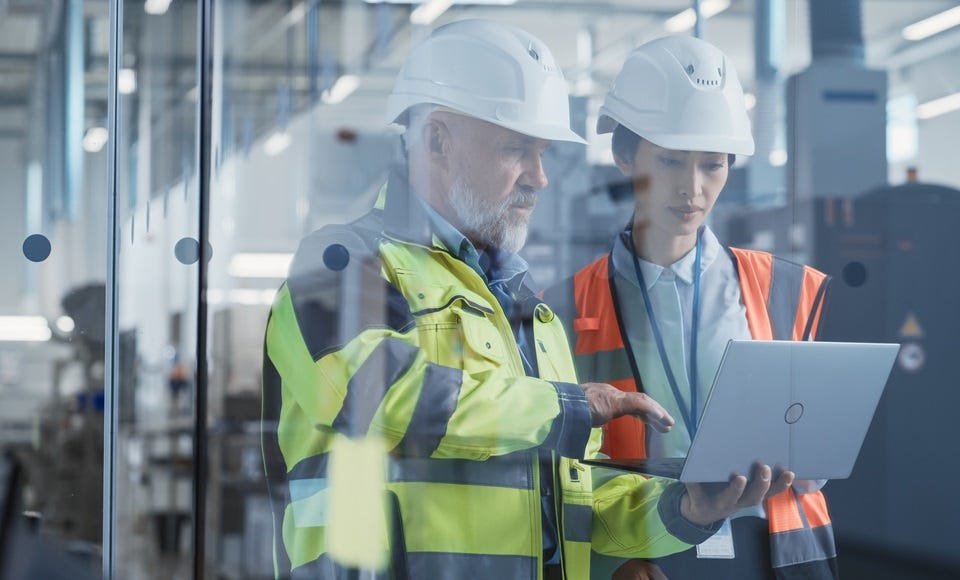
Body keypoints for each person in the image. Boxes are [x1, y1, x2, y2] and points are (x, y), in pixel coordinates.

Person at [261, 21, 791, 580]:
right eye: (517, 149)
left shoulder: (526, 308)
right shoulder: (340, 264)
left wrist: (683, 510)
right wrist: (572, 406)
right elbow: (386, 400)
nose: (539, 177)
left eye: (542, 153)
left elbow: (573, 499)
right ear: (437, 139)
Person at [545, 36, 838, 579]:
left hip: (773, 554)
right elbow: (559, 469)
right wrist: (620, 557)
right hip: (645, 556)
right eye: (672, 162)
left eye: (713, 165)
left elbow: (815, 445)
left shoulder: (788, 290)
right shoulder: (559, 310)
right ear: (624, 156)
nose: (693, 188)